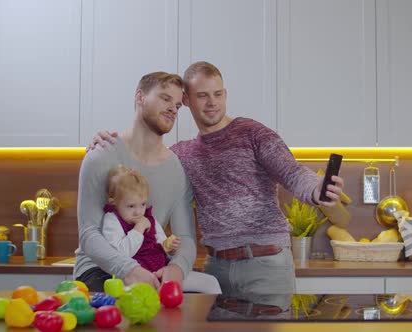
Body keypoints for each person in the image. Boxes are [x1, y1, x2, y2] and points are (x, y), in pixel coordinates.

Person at [89, 61, 344, 295]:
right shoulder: (182, 154)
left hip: (266, 265)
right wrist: (107, 143)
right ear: (186, 101)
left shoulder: (253, 133)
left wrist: (316, 189)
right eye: (203, 96)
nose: (212, 102)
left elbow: (293, 172)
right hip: (217, 268)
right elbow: (135, 178)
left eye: (218, 94)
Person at [74, 71, 204, 292]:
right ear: (140, 97)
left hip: (152, 266)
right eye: (165, 98)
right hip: (99, 270)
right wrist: (129, 270)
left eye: (177, 105)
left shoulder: (177, 169)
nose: (173, 108)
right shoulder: (101, 155)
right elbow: (89, 234)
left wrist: (177, 269)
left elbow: (185, 238)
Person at [102, 164, 220, 293]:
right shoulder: (112, 220)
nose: (138, 212)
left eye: (142, 204)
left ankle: (218, 313)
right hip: (132, 279)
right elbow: (120, 254)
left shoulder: (149, 218)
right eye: (131, 206)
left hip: (160, 273)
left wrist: (168, 247)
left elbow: (161, 245)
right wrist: (139, 228)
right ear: (113, 202)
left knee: (210, 283)